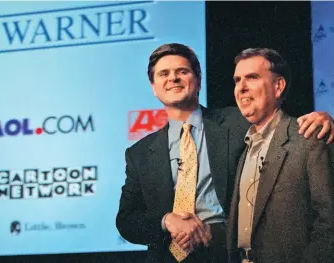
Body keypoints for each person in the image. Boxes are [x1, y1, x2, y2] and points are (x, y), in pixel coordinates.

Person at [116, 43, 334, 263]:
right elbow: (127, 220)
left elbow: (277, 126)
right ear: (154, 87)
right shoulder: (139, 154)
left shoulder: (238, 122)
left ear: (199, 80)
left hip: (228, 253)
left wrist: (323, 119)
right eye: (164, 73)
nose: (173, 78)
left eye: (182, 71)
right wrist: (166, 221)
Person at [226, 48, 334, 263]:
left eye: (252, 78)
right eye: (237, 80)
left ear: (278, 86)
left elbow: (329, 223)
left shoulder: (309, 138)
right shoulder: (244, 146)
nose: (242, 88)